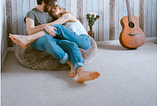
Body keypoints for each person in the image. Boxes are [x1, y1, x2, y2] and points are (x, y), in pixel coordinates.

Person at [9, 1, 100, 83]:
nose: (53, 6)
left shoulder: (52, 13)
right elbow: (30, 31)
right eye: (52, 3)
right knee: (47, 38)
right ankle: (69, 62)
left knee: (72, 44)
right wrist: (44, 27)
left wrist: (49, 25)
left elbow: (61, 23)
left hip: (56, 38)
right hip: (41, 39)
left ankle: (81, 71)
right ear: (45, 1)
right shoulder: (31, 13)